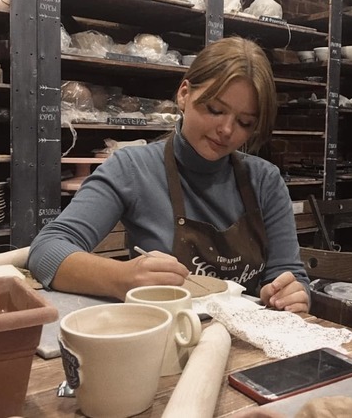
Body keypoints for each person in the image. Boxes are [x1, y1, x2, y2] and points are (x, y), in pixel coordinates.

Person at [28, 36, 310, 313]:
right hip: (162, 333)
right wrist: (123, 277)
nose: (226, 130)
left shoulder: (265, 181)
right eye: (215, 109)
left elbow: (290, 274)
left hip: (242, 336)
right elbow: (46, 250)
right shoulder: (133, 168)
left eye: (244, 122)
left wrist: (290, 293)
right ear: (184, 94)